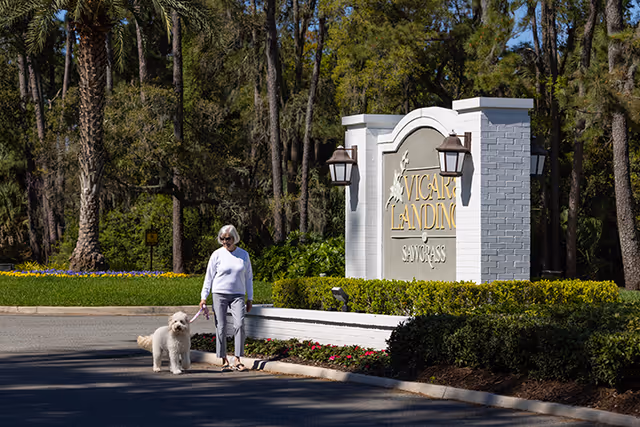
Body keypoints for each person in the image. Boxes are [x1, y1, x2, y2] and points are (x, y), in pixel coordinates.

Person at [199, 224, 253, 371]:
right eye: (222, 239)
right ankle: (224, 359)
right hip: (219, 294)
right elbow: (208, 277)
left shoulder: (243, 255)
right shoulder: (217, 254)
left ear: (234, 238)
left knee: (239, 324)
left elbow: (249, 278)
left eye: (228, 238)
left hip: (238, 295)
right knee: (221, 326)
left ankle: (237, 359)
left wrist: (250, 298)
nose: (225, 242)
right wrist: (204, 297)